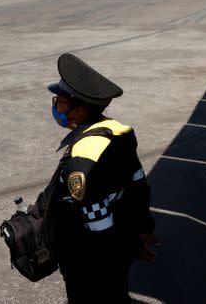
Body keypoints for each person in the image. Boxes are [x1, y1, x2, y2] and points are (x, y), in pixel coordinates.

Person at [45, 53, 156, 303]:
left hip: (91, 258)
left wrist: (107, 265)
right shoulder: (118, 132)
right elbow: (138, 183)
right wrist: (142, 229)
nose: (55, 106)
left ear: (80, 110)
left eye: (60, 101)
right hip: (121, 243)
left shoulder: (82, 159)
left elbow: (96, 217)